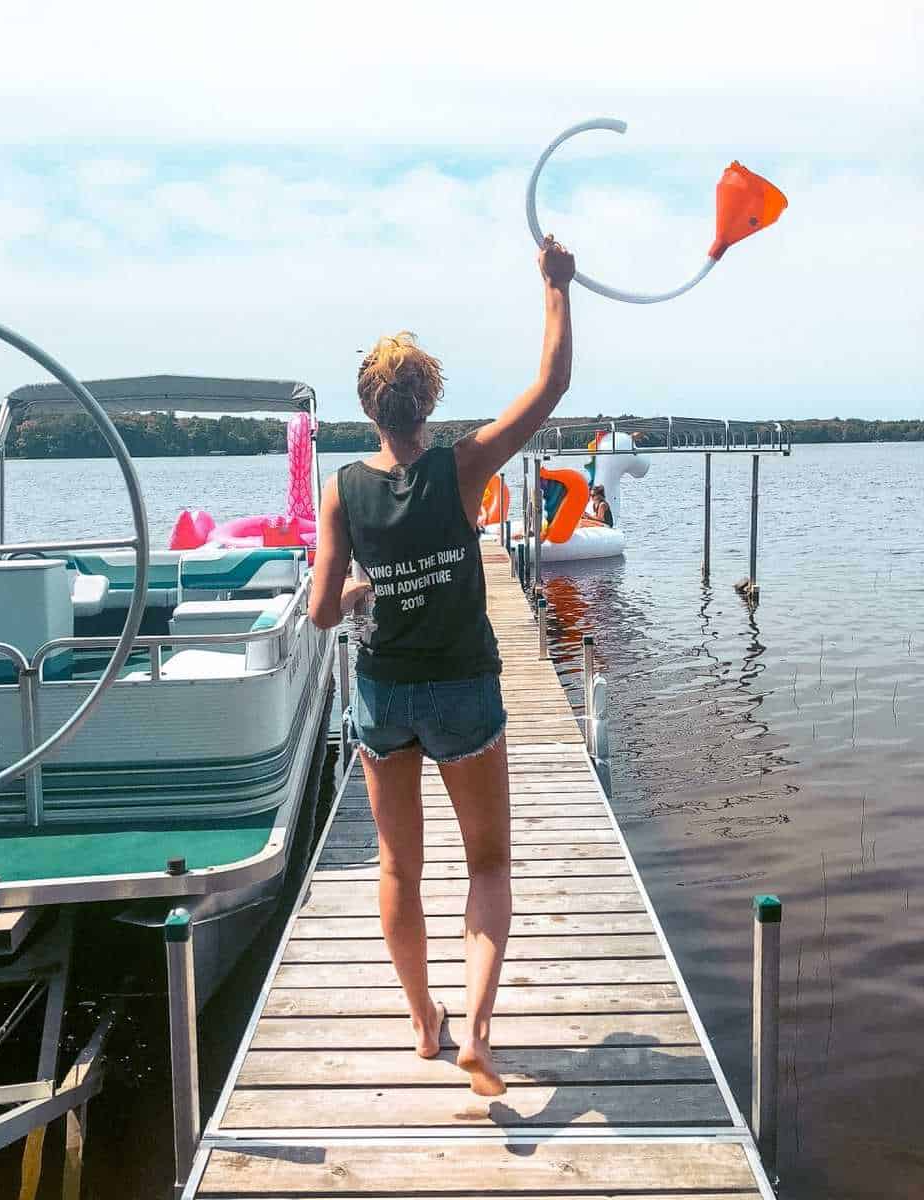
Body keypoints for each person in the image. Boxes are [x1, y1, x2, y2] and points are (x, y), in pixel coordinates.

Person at [310, 233, 575, 1096]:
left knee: (399, 869)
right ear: (429, 400)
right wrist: (556, 287)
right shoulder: (463, 468)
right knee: (488, 864)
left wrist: (362, 588)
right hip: (464, 690)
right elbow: (551, 386)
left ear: (369, 407)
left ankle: (425, 1021)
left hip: (384, 697)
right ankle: (480, 1034)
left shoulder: (342, 489)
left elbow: (320, 612)